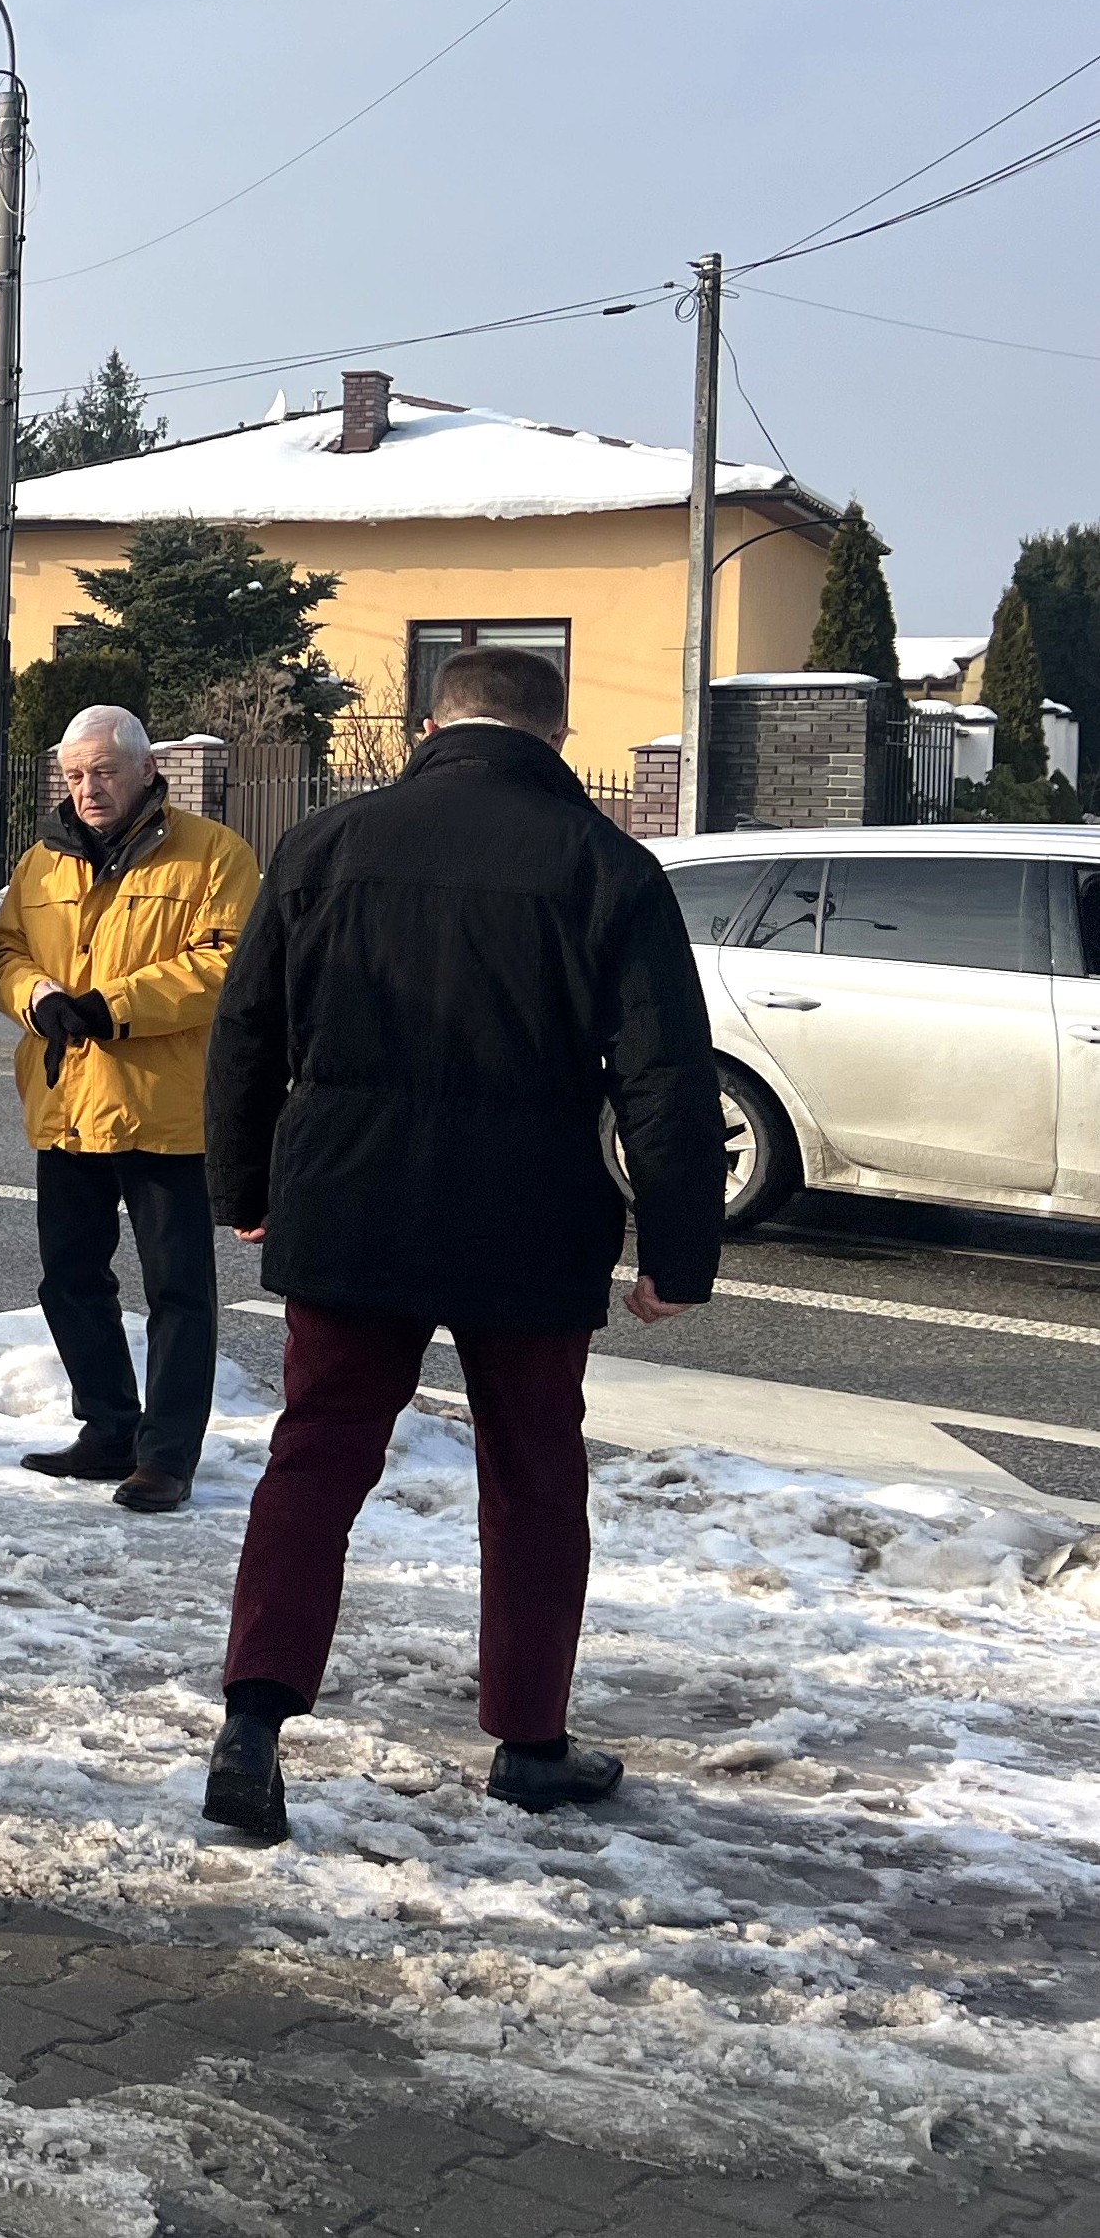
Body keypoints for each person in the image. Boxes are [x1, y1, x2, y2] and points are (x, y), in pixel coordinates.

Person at [201, 645, 721, 1841]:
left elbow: (246, 1030)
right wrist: (675, 1252)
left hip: (348, 1201)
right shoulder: (609, 865)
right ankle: (529, 1739)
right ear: (557, 734)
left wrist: (245, 1183)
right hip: (529, 1220)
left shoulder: (325, 844)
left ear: (433, 725)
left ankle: (256, 1719)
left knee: (316, 1457)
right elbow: (664, 1079)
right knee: (534, 1476)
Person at [0, 706, 258, 1516]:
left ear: (144, 770)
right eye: (73, 774)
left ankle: (166, 1456)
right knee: (69, 1280)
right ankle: (107, 1427)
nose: (88, 788)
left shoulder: (213, 855)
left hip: (163, 1108)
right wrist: (34, 995)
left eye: (102, 771)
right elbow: (1, 952)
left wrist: (112, 1004)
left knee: (178, 1292)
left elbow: (227, 959)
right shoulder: (40, 863)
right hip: (66, 1101)